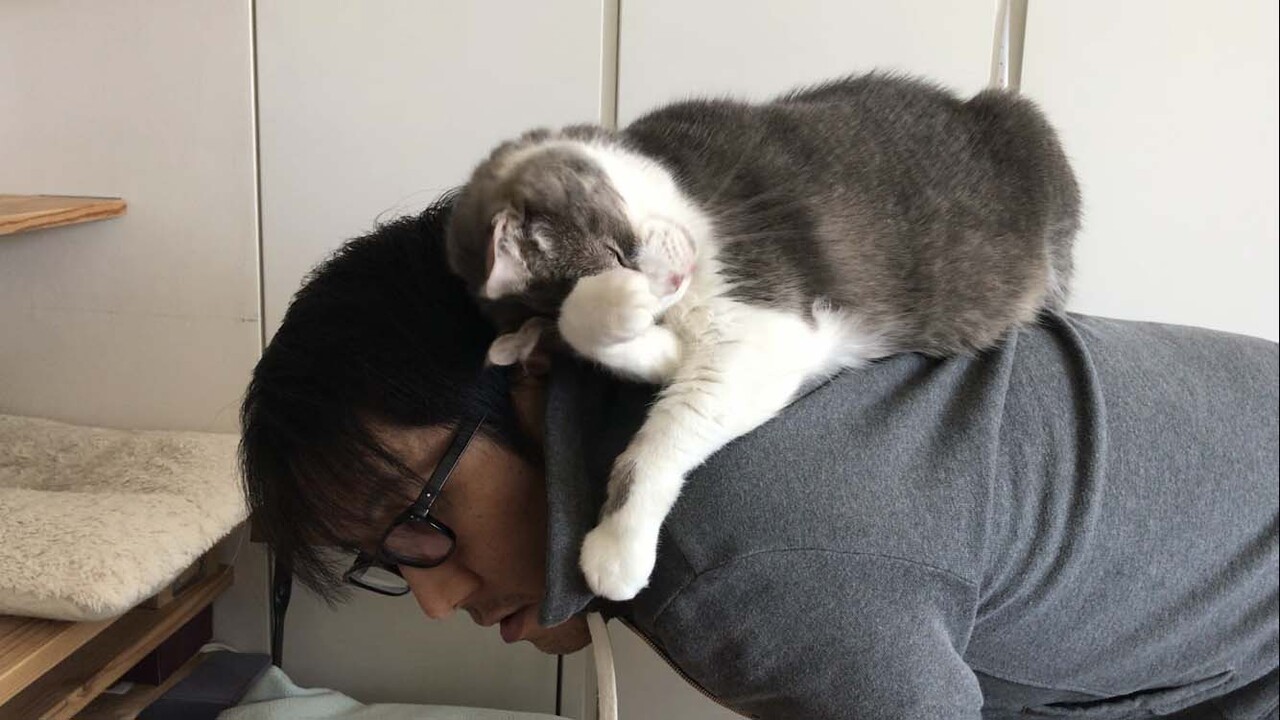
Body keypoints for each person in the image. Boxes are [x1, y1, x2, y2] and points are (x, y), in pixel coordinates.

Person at [240, 197, 1279, 719]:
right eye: (386, 559)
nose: (432, 600)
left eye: (419, 519)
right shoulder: (707, 352)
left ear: (531, 369)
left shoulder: (735, 544)